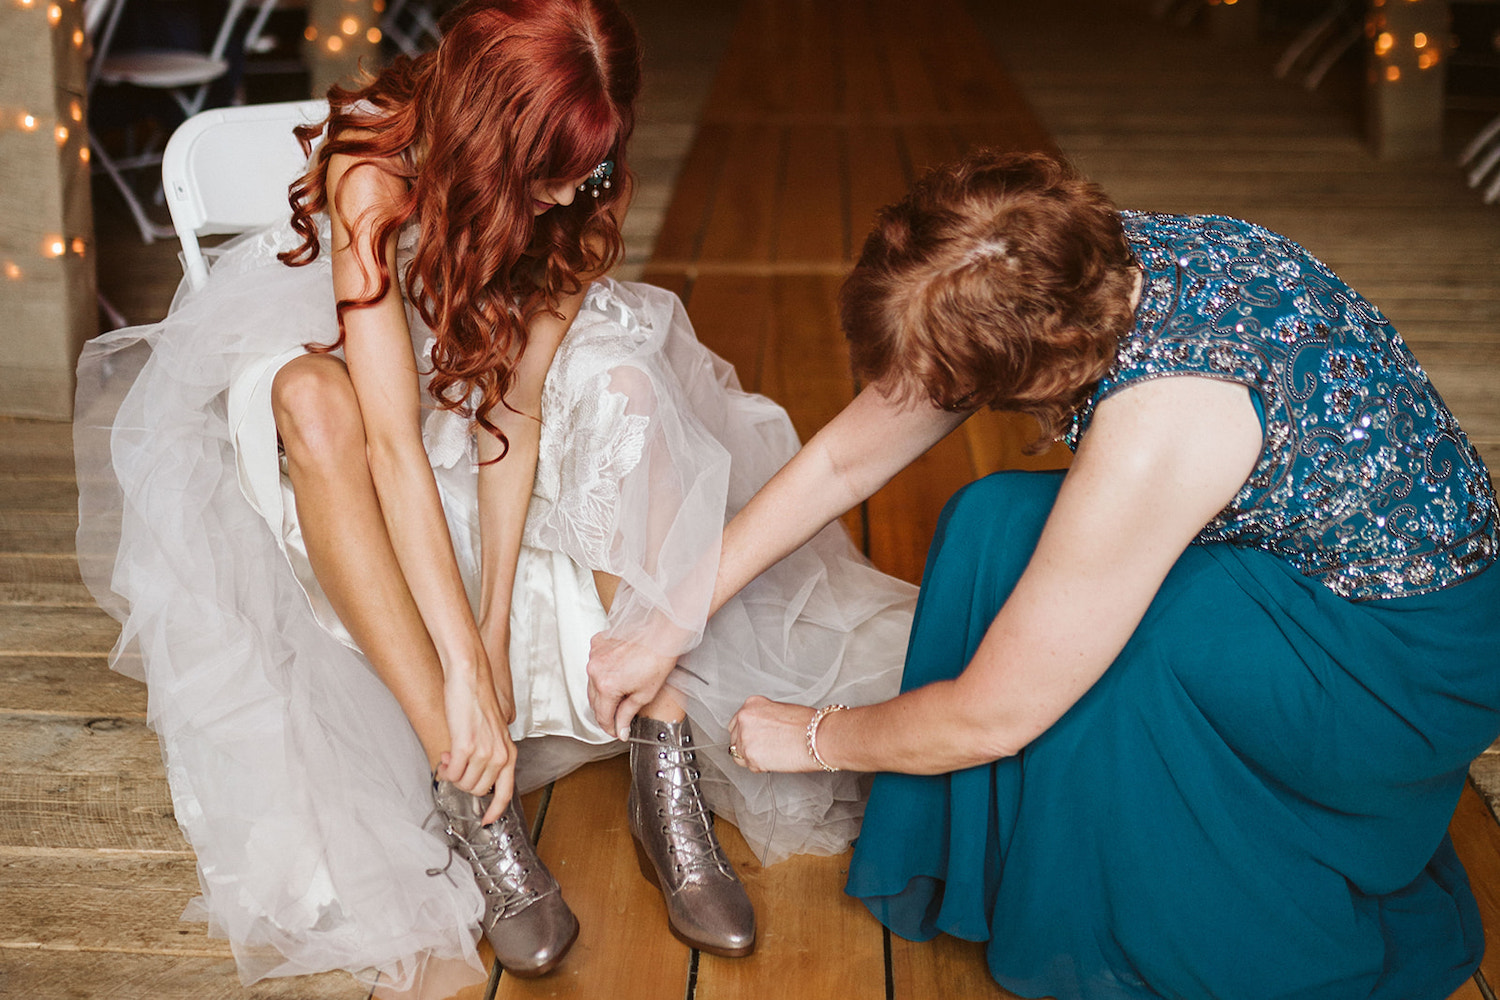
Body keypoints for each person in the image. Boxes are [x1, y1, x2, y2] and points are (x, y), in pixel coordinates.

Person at [72, 0, 914, 993]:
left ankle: (661, 738)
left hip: (479, 369)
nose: (571, 194)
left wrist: (494, 608)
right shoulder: (370, 166)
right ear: (487, 137)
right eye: (550, 168)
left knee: (628, 381)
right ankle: (469, 789)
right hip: (351, 359)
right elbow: (393, 439)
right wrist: (469, 675)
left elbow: (508, 412)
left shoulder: (578, 174)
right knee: (312, 400)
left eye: (589, 166)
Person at [586, 149, 1500, 999]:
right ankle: (1008, 845)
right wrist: (673, 617)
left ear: (1037, 370)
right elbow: (842, 466)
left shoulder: (1167, 420)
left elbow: (994, 715)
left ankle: (1171, 887)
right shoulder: (1068, 263)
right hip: (1303, 564)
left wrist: (816, 737)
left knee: (1115, 666)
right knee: (992, 521)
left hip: (1392, 658)